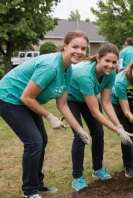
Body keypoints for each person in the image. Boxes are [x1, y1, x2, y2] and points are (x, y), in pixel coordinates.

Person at [0, 31, 91, 198]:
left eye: (83, 48)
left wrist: (79, 130)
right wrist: (50, 117)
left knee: (42, 140)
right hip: (10, 97)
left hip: (27, 99)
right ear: (65, 46)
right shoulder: (50, 66)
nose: (79, 51)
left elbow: (62, 104)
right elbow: (26, 97)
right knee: (34, 142)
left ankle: (37, 185)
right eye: (75, 47)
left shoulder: (68, 69)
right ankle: (29, 192)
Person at [67, 43, 133, 191]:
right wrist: (118, 131)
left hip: (87, 98)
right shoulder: (85, 75)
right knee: (80, 136)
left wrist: (120, 126)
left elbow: (106, 102)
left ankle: (97, 169)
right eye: (107, 61)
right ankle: (77, 178)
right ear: (98, 58)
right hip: (70, 98)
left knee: (98, 133)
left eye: (114, 62)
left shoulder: (110, 75)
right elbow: (95, 113)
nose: (110, 65)